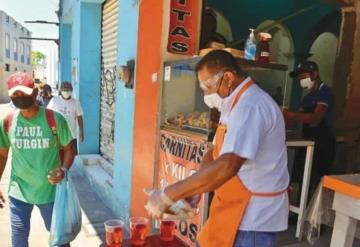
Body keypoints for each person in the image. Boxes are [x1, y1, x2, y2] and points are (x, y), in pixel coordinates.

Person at [145, 50, 289, 247]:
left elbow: (228, 164)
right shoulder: (231, 104)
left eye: (208, 86)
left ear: (228, 77)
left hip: (252, 219)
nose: (206, 94)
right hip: (229, 208)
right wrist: (195, 189)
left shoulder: (251, 106)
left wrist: (168, 194)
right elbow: (214, 150)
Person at [0, 72, 75, 247]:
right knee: (18, 237)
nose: (20, 97)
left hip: (50, 192)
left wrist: (63, 170)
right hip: (18, 191)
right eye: (15, 93)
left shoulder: (54, 119)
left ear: (34, 92)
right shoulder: (7, 122)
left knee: (59, 238)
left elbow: (69, 149)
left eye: (24, 92)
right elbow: (2, 155)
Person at [283, 60, 336, 195]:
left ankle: (312, 215)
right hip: (307, 144)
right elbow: (297, 119)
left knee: (317, 184)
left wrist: (292, 115)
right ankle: (300, 214)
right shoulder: (307, 98)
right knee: (302, 181)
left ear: (315, 75)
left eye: (304, 77)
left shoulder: (325, 92)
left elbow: (316, 117)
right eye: (300, 78)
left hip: (323, 145)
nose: (301, 81)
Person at [47, 81, 84, 155]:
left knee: (71, 156)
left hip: (71, 135)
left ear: (72, 90)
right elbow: (48, 114)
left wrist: (81, 131)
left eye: (68, 90)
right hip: (57, 135)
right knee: (57, 156)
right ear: (61, 90)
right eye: (64, 89)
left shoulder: (76, 102)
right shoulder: (55, 100)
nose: (66, 91)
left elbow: (79, 117)